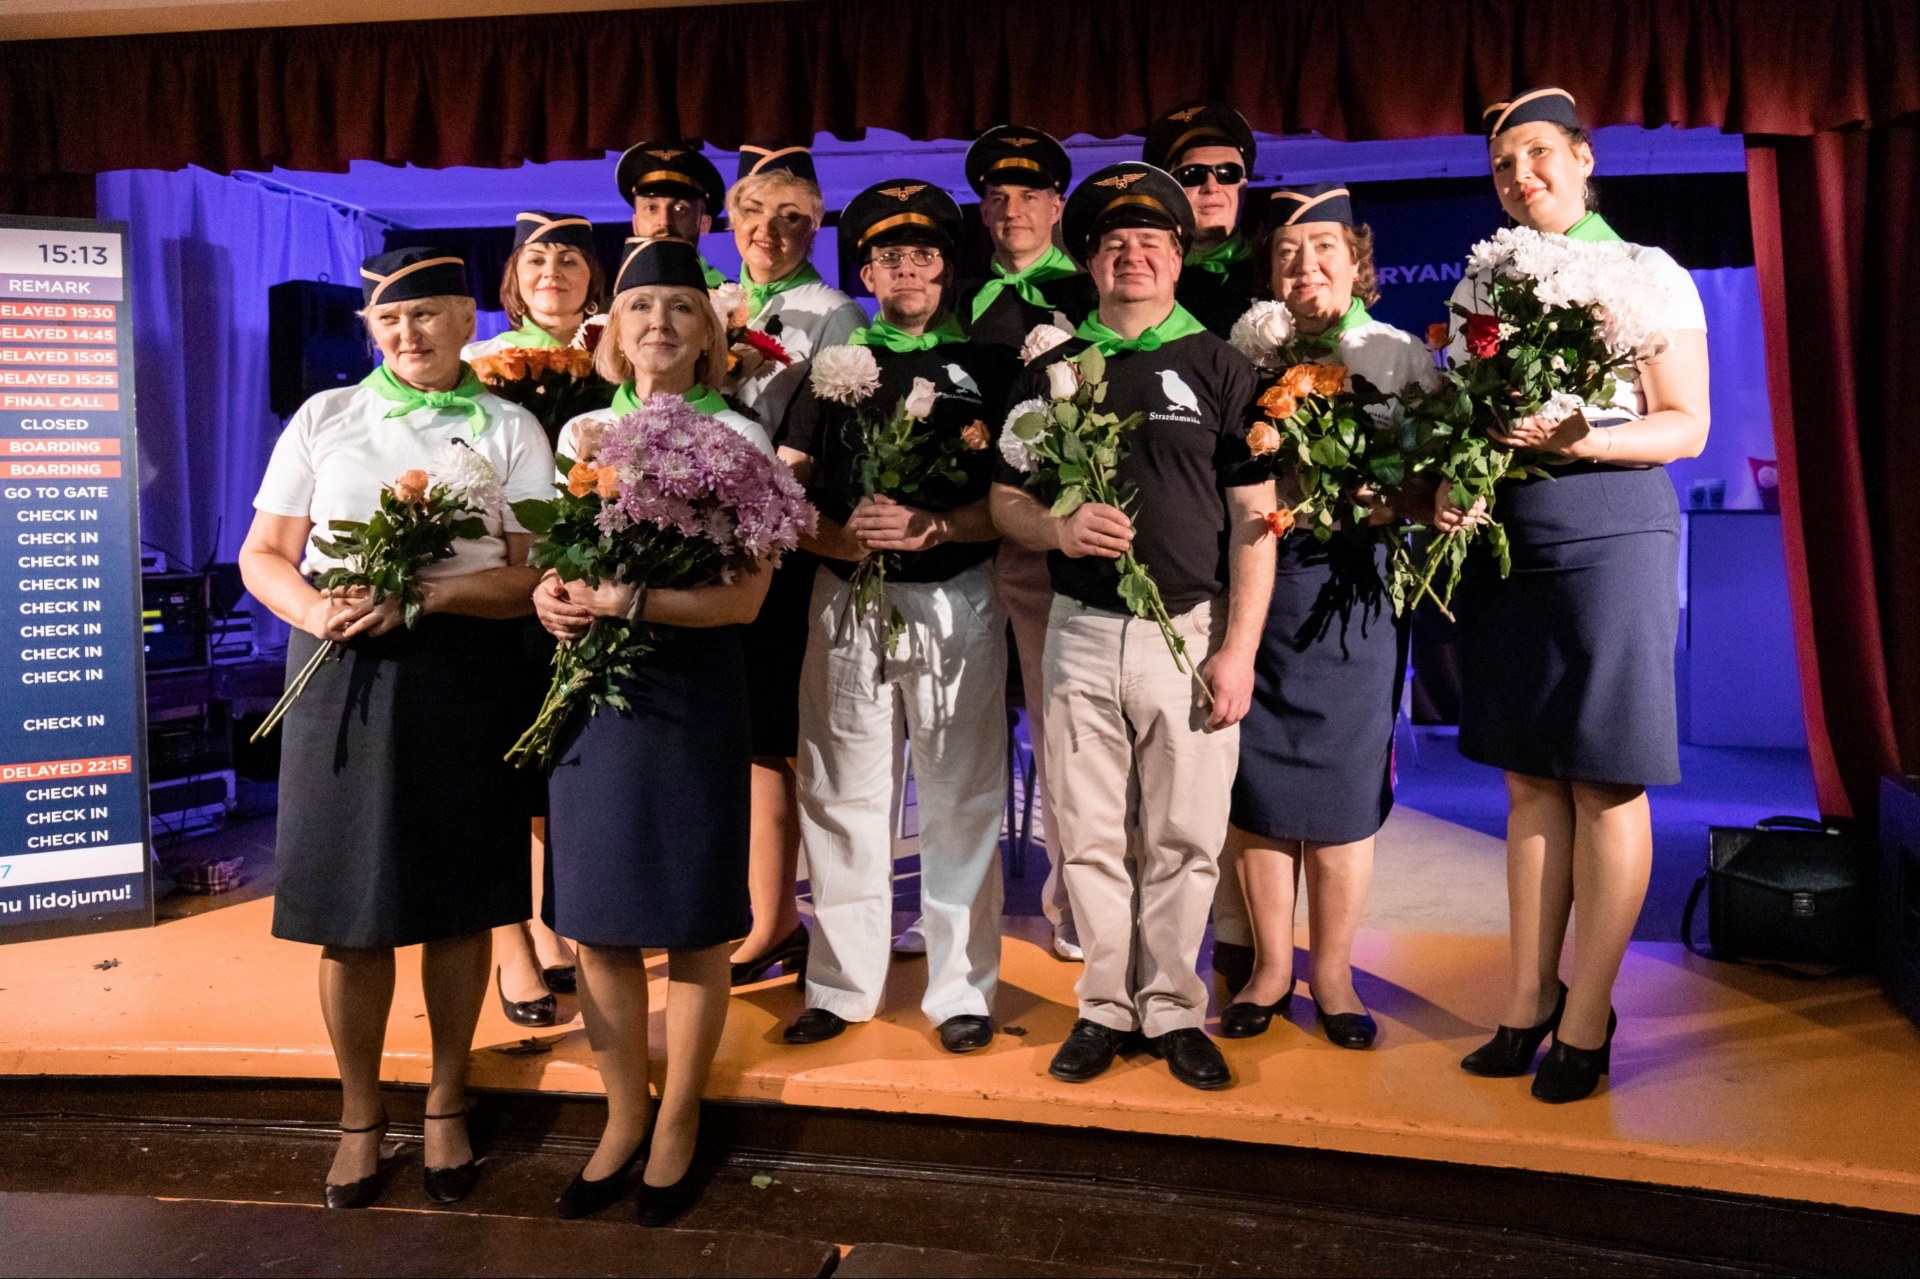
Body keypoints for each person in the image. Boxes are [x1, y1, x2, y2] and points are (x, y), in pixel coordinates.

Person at [239, 248, 553, 1209]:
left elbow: (532, 574)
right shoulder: (325, 416)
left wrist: (431, 592)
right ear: (371, 329)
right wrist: (313, 610)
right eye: (389, 320)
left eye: (427, 314)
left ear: (466, 319)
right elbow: (264, 552)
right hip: (338, 668)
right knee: (350, 913)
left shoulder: (510, 424)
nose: (408, 334)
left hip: (463, 673)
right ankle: (359, 1113)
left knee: (458, 902)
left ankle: (449, 1099)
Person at [1447, 88, 1710, 1102]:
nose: (1521, 177)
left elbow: (1685, 424)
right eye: (1503, 165)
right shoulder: (1485, 280)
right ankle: (1527, 999)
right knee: (1527, 779)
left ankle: (1589, 1015)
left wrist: (1584, 439)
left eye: (1537, 154)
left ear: (1584, 157)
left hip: (1612, 527)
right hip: (1513, 531)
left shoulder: (1645, 271)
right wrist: (1464, 478)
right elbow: (1466, 413)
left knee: (1604, 778)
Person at [990, 163, 1277, 1091]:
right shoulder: (1053, 369)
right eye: (1114, 242)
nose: (1133, 255)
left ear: (1179, 258)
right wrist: (1057, 527)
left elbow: (1256, 520)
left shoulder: (1223, 367)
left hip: (1188, 633)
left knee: (1187, 837)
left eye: (1152, 241)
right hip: (1079, 629)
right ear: (1089, 261)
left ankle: (1174, 1007)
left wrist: (1238, 650)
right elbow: (1005, 497)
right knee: (1088, 836)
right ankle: (1105, 1007)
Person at [536, 237, 779, 1225]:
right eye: (641, 307)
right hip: (595, 693)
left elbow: (746, 600)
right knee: (594, 916)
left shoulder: (742, 436)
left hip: (692, 693)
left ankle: (679, 1117)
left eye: (681, 307)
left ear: (710, 332)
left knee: (693, 918)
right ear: (615, 330)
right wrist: (553, 596)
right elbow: (559, 558)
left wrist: (631, 601)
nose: (660, 324)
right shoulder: (584, 431)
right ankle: (621, 1115)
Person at [778, 180, 1017, 1053]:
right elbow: (783, 486)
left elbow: (1019, 501)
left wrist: (940, 527)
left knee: (961, 795)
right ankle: (842, 986)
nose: (906, 268)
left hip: (956, 595)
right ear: (868, 274)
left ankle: (962, 991)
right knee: (841, 793)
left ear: (948, 269)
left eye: (922, 254)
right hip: (847, 596)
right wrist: (834, 538)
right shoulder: (829, 370)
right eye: (888, 256)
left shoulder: (992, 367)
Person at [1213, 184, 1441, 1051]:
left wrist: (1382, 501)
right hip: (1258, 584)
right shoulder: (1246, 353)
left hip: (1356, 588)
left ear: (1356, 263)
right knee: (1259, 786)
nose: (1303, 267)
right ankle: (1272, 968)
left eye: (1323, 251)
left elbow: (1433, 488)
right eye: (1286, 253)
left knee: (1345, 788)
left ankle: (1335, 973)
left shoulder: (1397, 357)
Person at [724, 143, 868, 988]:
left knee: (773, 738)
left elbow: (826, 440)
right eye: (755, 213)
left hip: (781, 545)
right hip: (714, 542)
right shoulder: (716, 299)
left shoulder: (831, 312)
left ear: (817, 228)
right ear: (732, 220)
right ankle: (753, 907)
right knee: (738, 735)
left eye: (792, 219)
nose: (769, 231)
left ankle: (779, 915)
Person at [458, 209, 607, 1028]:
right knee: (499, 772)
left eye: (571, 259)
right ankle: (510, 942)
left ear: (594, 277)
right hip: (501, 588)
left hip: (585, 591)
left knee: (562, 772)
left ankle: (556, 926)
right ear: (514, 276)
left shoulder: (617, 359)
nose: (554, 271)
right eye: (538, 258)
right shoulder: (476, 363)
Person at [954, 125, 1089, 962]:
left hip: (1044, 543)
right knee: (958, 740)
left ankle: (1072, 903)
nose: (1012, 210)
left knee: (1064, 735)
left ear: (1057, 205)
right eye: (997, 197)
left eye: (1029, 194)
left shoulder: (1089, 289)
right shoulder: (956, 295)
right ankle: (959, 918)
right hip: (959, 543)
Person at [1142, 103, 1261, 338]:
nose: (1211, 186)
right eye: (1192, 175)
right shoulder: (1146, 275)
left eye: (1227, 173)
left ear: (1243, 188)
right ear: (1168, 194)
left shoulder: (1276, 272)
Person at [462, 210, 609, 364]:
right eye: (536, 261)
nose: (551, 272)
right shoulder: (478, 360)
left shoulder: (618, 355)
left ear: (592, 277)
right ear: (515, 277)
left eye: (567, 261)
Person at [615, 141, 731, 286]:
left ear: (704, 224)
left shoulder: (729, 297)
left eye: (680, 208)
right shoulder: (618, 297)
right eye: (651, 208)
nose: (665, 221)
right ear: (635, 223)